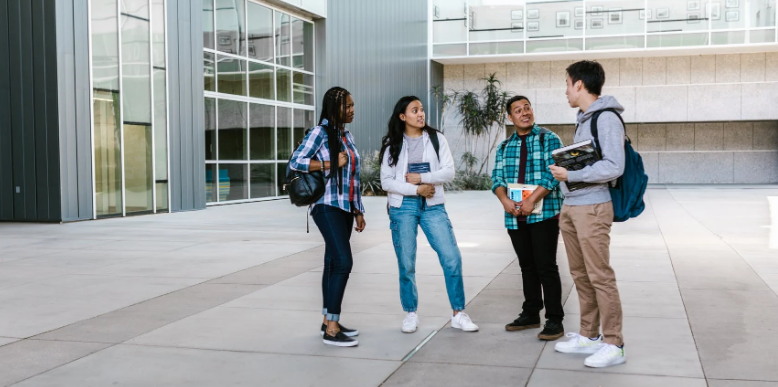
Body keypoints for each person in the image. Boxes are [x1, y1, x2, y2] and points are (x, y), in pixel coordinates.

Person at [549, 60, 627, 367]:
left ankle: (614, 343)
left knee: (599, 276)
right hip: (573, 205)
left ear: (579, 84)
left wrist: (571, 176)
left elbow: (614, 166)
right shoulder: (584, 119)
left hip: (593, 206)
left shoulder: (606, 118)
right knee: (580, 275)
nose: (566, 91)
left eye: (567, 84)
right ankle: (589, 335)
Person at [379, 96, 479, 334]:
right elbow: (386, 181)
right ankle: (411, 313)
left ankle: (458, 313)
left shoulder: (436, 138)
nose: (421, 114)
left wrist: (424, 179)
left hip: (433, 206)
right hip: (403, 207)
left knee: (451, 258)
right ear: (403, 117)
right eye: (415, 110)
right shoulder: (392, 143)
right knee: (406, 263)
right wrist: (416, 189)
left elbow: (449, 172)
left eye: (422, 109)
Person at [289, 87, 366, 347]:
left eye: (353, 105)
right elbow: (296, 162)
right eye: (347, 106)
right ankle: (332, 329)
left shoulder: (346, 135)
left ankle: (327, 320)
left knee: (333, 263)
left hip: (344, 207)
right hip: (326, 205)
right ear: (334, 108)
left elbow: (353, 177)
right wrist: (329, 164)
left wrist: (358, 210)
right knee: (343, 262)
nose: (352, 110)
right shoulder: (319, 133)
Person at [491, 95, 565, 341]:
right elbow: (497, 178)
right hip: (515, 216)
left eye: (527, 108)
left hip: (543, 214)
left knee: (546, 266)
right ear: (509, 117)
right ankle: (531, 313)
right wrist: (504, 201)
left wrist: (532, 199)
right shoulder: (504, 146)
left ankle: (554, 320)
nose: (525, 113)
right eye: (518, 110)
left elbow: (553, 174)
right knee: (527, 266)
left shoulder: (548, 139)